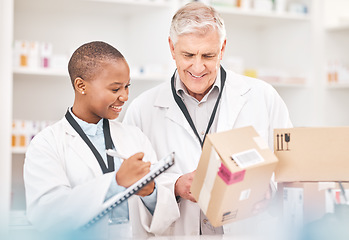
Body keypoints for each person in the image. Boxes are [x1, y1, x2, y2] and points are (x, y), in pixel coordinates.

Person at [123, 2, 292, 236]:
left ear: (222, 48)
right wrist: (174, 186)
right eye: (188, 55)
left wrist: (269, 191)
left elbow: (288, 170)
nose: (198, 66)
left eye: (208, 55)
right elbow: (131, 189)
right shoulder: (142, 110)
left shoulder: (263, 97)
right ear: (172, 48)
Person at [23, 41, 177, 239]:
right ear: (81, 86)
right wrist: (116, 182)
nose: (124, 96)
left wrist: (151, 192)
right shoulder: (46, 144)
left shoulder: (134, 136)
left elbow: (167, 214)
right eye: (115, 89)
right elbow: (46, 215)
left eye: (127, 87)